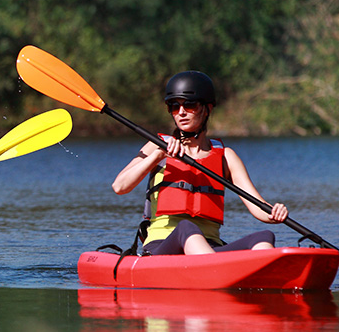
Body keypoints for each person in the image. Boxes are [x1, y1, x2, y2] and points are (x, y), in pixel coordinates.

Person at [112, 71, 288, 255]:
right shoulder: (156, 146)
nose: (181, 112)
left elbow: (258, 206)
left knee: (264, 237)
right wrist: (157, 155)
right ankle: (215, 270)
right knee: (186, 228)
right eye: (174, 106)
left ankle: (263, 273)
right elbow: (120, 186)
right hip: (162, 247)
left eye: (190, 105)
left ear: (207, 109)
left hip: (211, 246)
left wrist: (275, 214)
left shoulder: (226, 157)